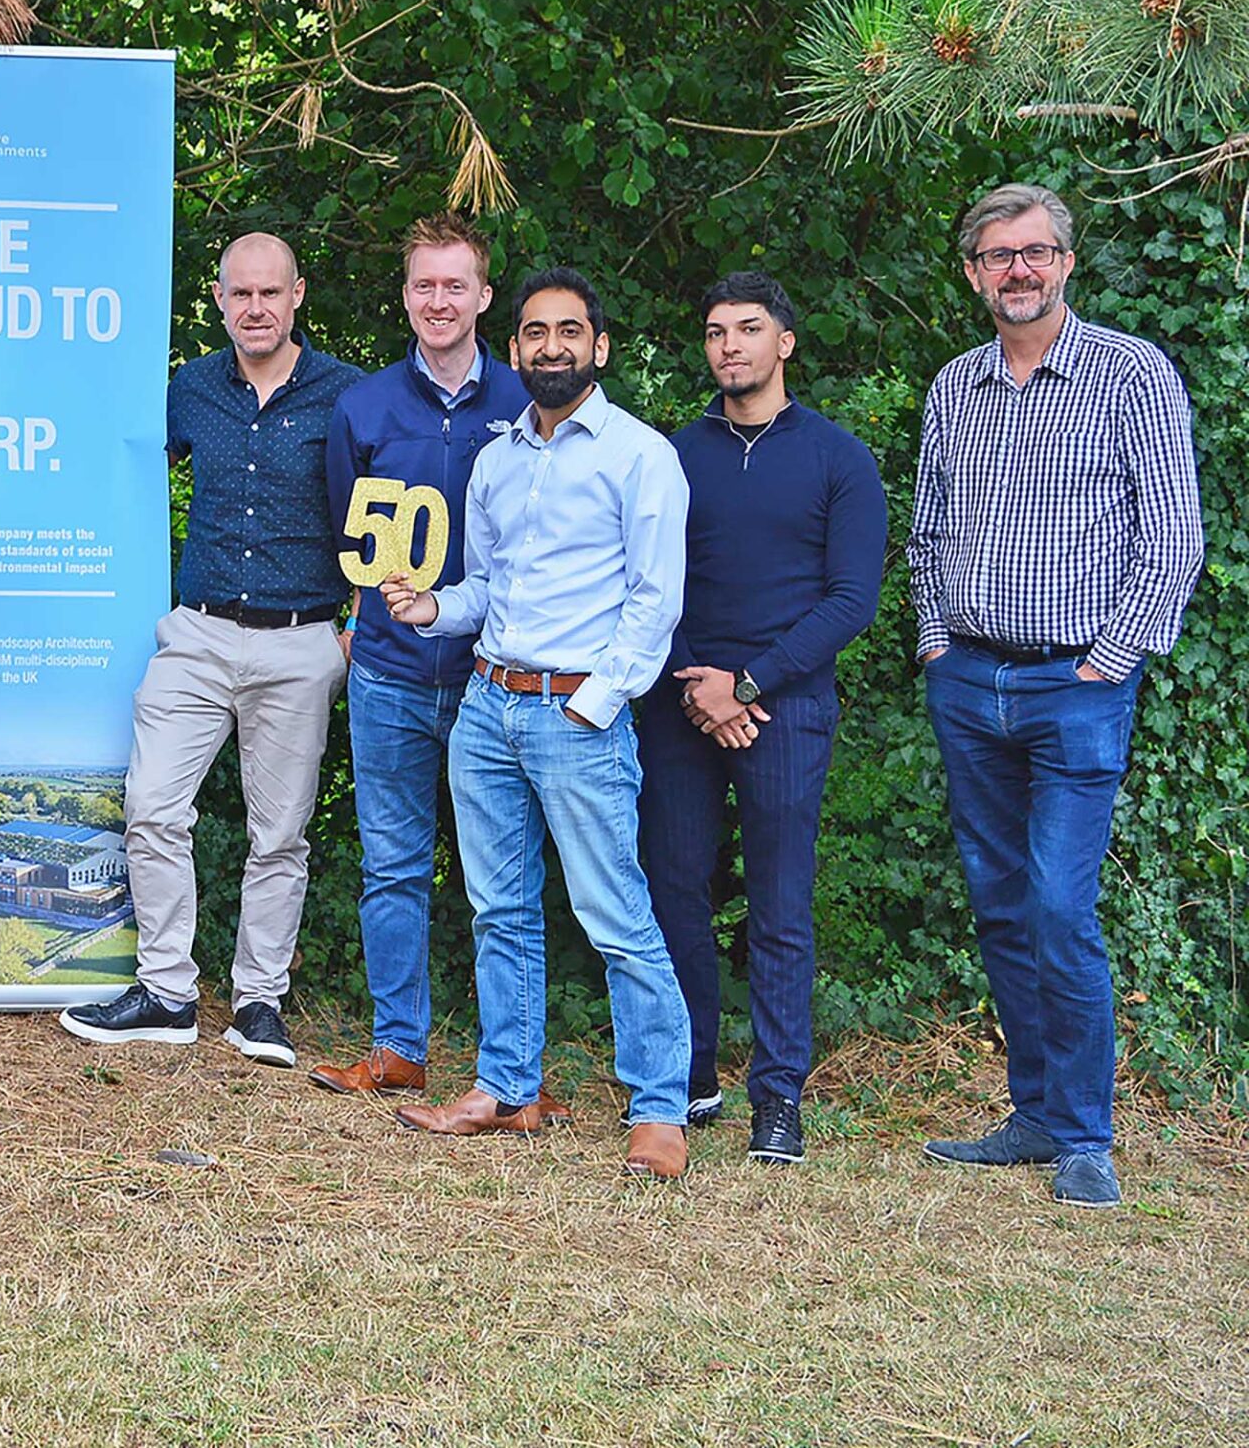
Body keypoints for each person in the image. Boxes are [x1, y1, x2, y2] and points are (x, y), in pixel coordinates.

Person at [911, 184, 1201, 1210]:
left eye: (1036, 252)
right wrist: (937, 642)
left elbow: (1174, 539)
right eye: (999, 256)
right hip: (969, 680)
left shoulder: (1131, 373)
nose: (1019, 270)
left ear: (1067, 262)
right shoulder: (957, 384)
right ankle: (1033, 1113)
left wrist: (1108, 660)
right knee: (999, 903)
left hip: (1075, 683)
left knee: (1059, 906)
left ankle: (1084, 1135)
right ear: (973, 274)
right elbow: (928, 528)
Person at [379, 267, 696, 1179]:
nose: (550, 346)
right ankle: (508, 1088)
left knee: (613, 913)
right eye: (534, 332)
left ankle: (659, 1105)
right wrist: (432, 609)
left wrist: (594, 702)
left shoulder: (640, 455)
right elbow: (486, 587)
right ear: (514, 348)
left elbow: (656, 601)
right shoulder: (498, 459)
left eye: (569, 331)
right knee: (499, 910)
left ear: (600, 346)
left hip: (577, 713)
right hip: (486, 708)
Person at [59, 234, 360, 1070]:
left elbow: (384, 507)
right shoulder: (190, 388)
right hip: (196, 633)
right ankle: (166, 992)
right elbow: (120, 470)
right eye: (241, 294)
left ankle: (259, 1002)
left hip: (301, 639)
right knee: (152, 804)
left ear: (298, 295)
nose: (256, 308)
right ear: (220, 299)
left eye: (270, 292)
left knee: (280, 835)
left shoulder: (347, 395)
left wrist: (356, 628)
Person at [640, 272, 885, 1165]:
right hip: (681, 701)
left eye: (747, 328)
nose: (729, 345)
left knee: (779, 904)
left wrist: (746, 685)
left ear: (784, 342)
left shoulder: (838, 458)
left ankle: (778, 1096)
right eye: (715, 331)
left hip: (787, 706)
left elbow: (851, 599)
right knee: (675, 891)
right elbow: (646, 582)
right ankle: (688, 1073)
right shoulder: (671, 456)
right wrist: (697, 687)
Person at [310, 213, 530, 1099]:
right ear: (404, 296)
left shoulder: (525, 400)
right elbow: (347, 533)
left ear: (483, 295)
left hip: (494, 676)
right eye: (423, 284)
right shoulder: (363, 406)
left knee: (502, 879)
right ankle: (398, 1046)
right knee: (393, 868)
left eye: (455, 285)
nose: (439, 300)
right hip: (390, 673)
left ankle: (512, 1066)